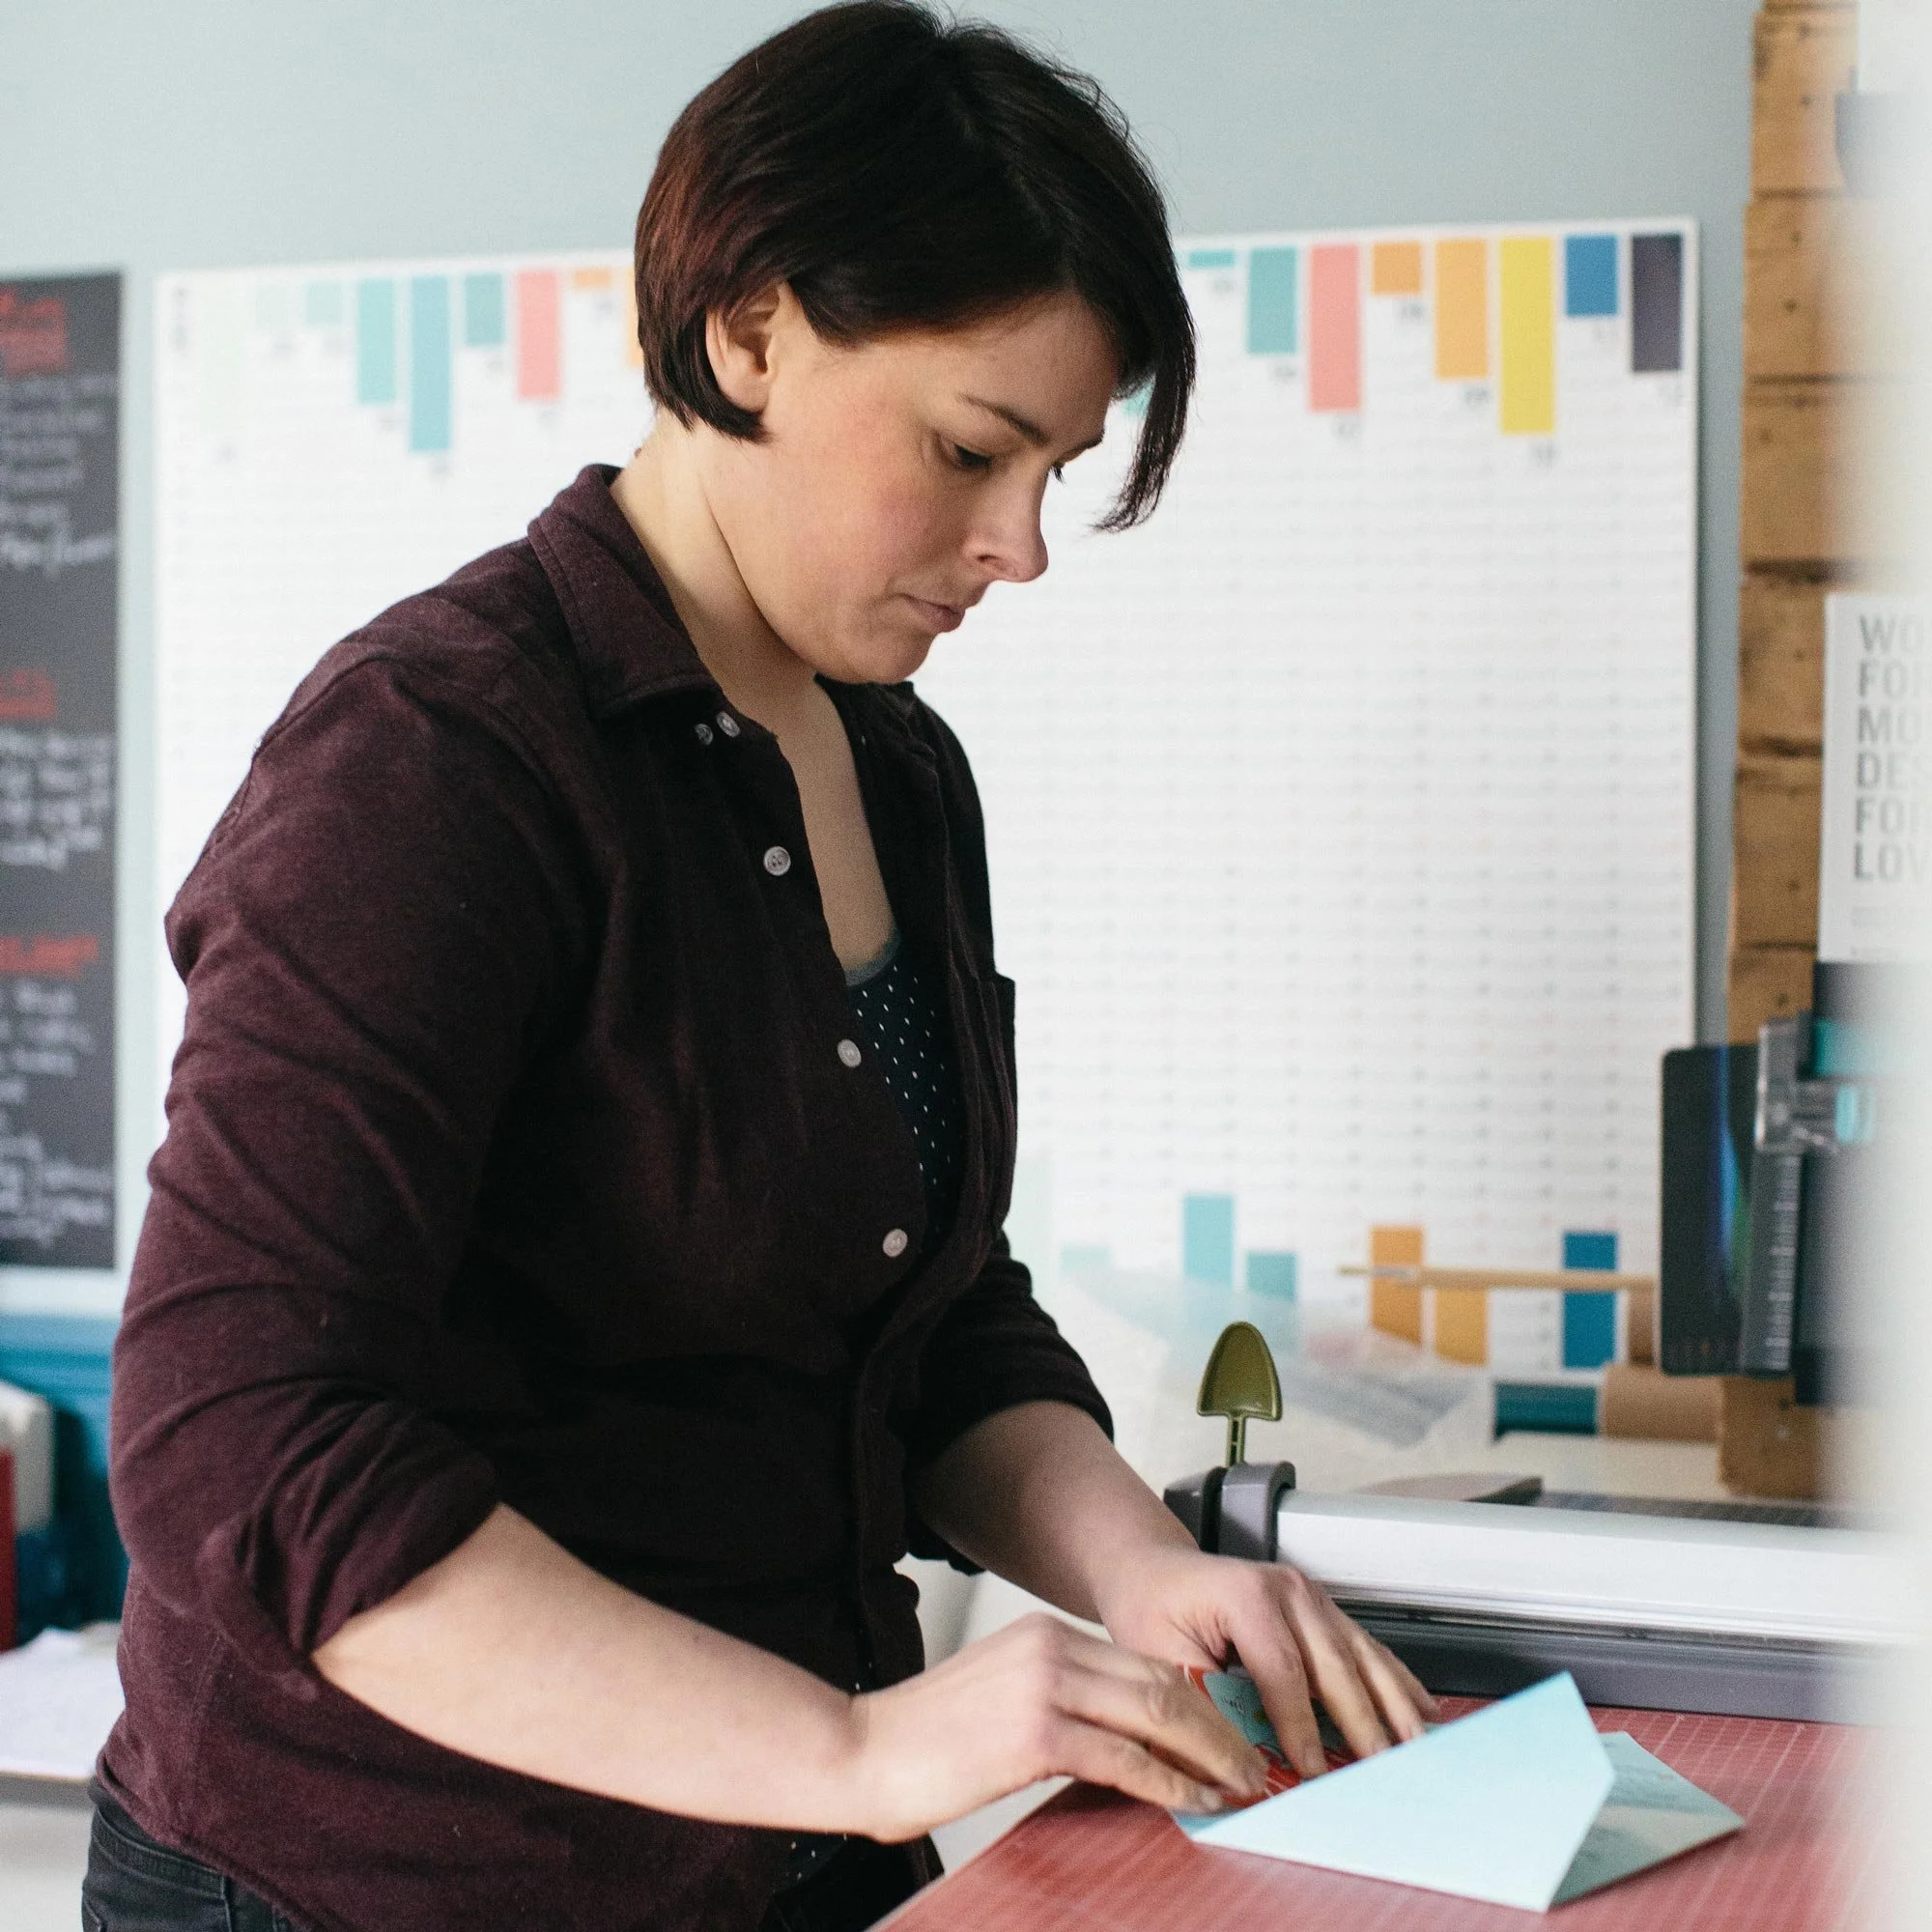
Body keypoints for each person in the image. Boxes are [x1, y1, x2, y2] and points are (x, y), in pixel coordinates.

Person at [87, 6, 1435, 1929]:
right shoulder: (438, 755)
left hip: (780, 1849)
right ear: (746, 334)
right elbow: (242, 1440)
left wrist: (1143, 1573)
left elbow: (929, 1310)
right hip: (386, 1884)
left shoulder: (895, 759)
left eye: (1054, 466)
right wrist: (862, 1750)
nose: (1024, 545)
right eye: (974, 449)